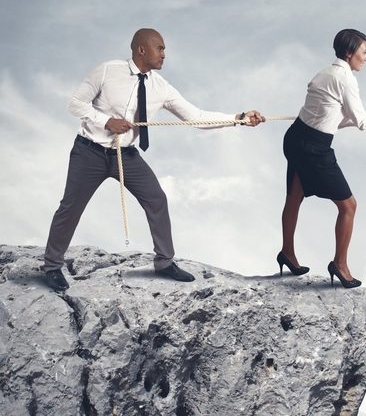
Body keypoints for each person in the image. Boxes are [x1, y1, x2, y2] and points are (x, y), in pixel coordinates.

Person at [42, 28, 265, 292]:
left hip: (126, 156)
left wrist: (238, 118)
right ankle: (53, 265)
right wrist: (106, 121)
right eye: (160, 48)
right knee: (70, 207)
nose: (164, 54)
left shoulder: (161, 87)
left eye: (164, 49)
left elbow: (195, 117)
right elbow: (75, 104)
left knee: (157, 199)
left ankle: (164, 262)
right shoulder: (106, 71)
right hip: (89, 152)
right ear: (141, 50)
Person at [278, 29, 366, 288]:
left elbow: (330, 118)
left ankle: (287, 253)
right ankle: (340, 265)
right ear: (349, 53)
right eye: (364, 52)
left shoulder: (324, 73)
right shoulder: (346, 79)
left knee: (294, 197)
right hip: (314, 148)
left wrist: (348, 120)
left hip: (295, 138)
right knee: (349, 206)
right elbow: (362, 122)